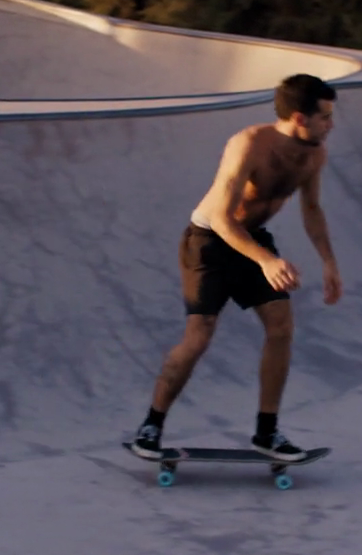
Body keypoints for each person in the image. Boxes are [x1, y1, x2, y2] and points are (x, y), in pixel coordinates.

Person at [131, 74, 342, 462]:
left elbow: (312, 209)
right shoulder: (248, 144)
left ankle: (267, 432)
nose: (331, 125)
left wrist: (329, 262)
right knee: (200, 335)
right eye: (325, 117)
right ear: (299, 118)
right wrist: (267, 260)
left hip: (252, 239)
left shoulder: (314, 155)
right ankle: (151, 426)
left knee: (281, 327)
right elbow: (221, 218)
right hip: (209, 240)